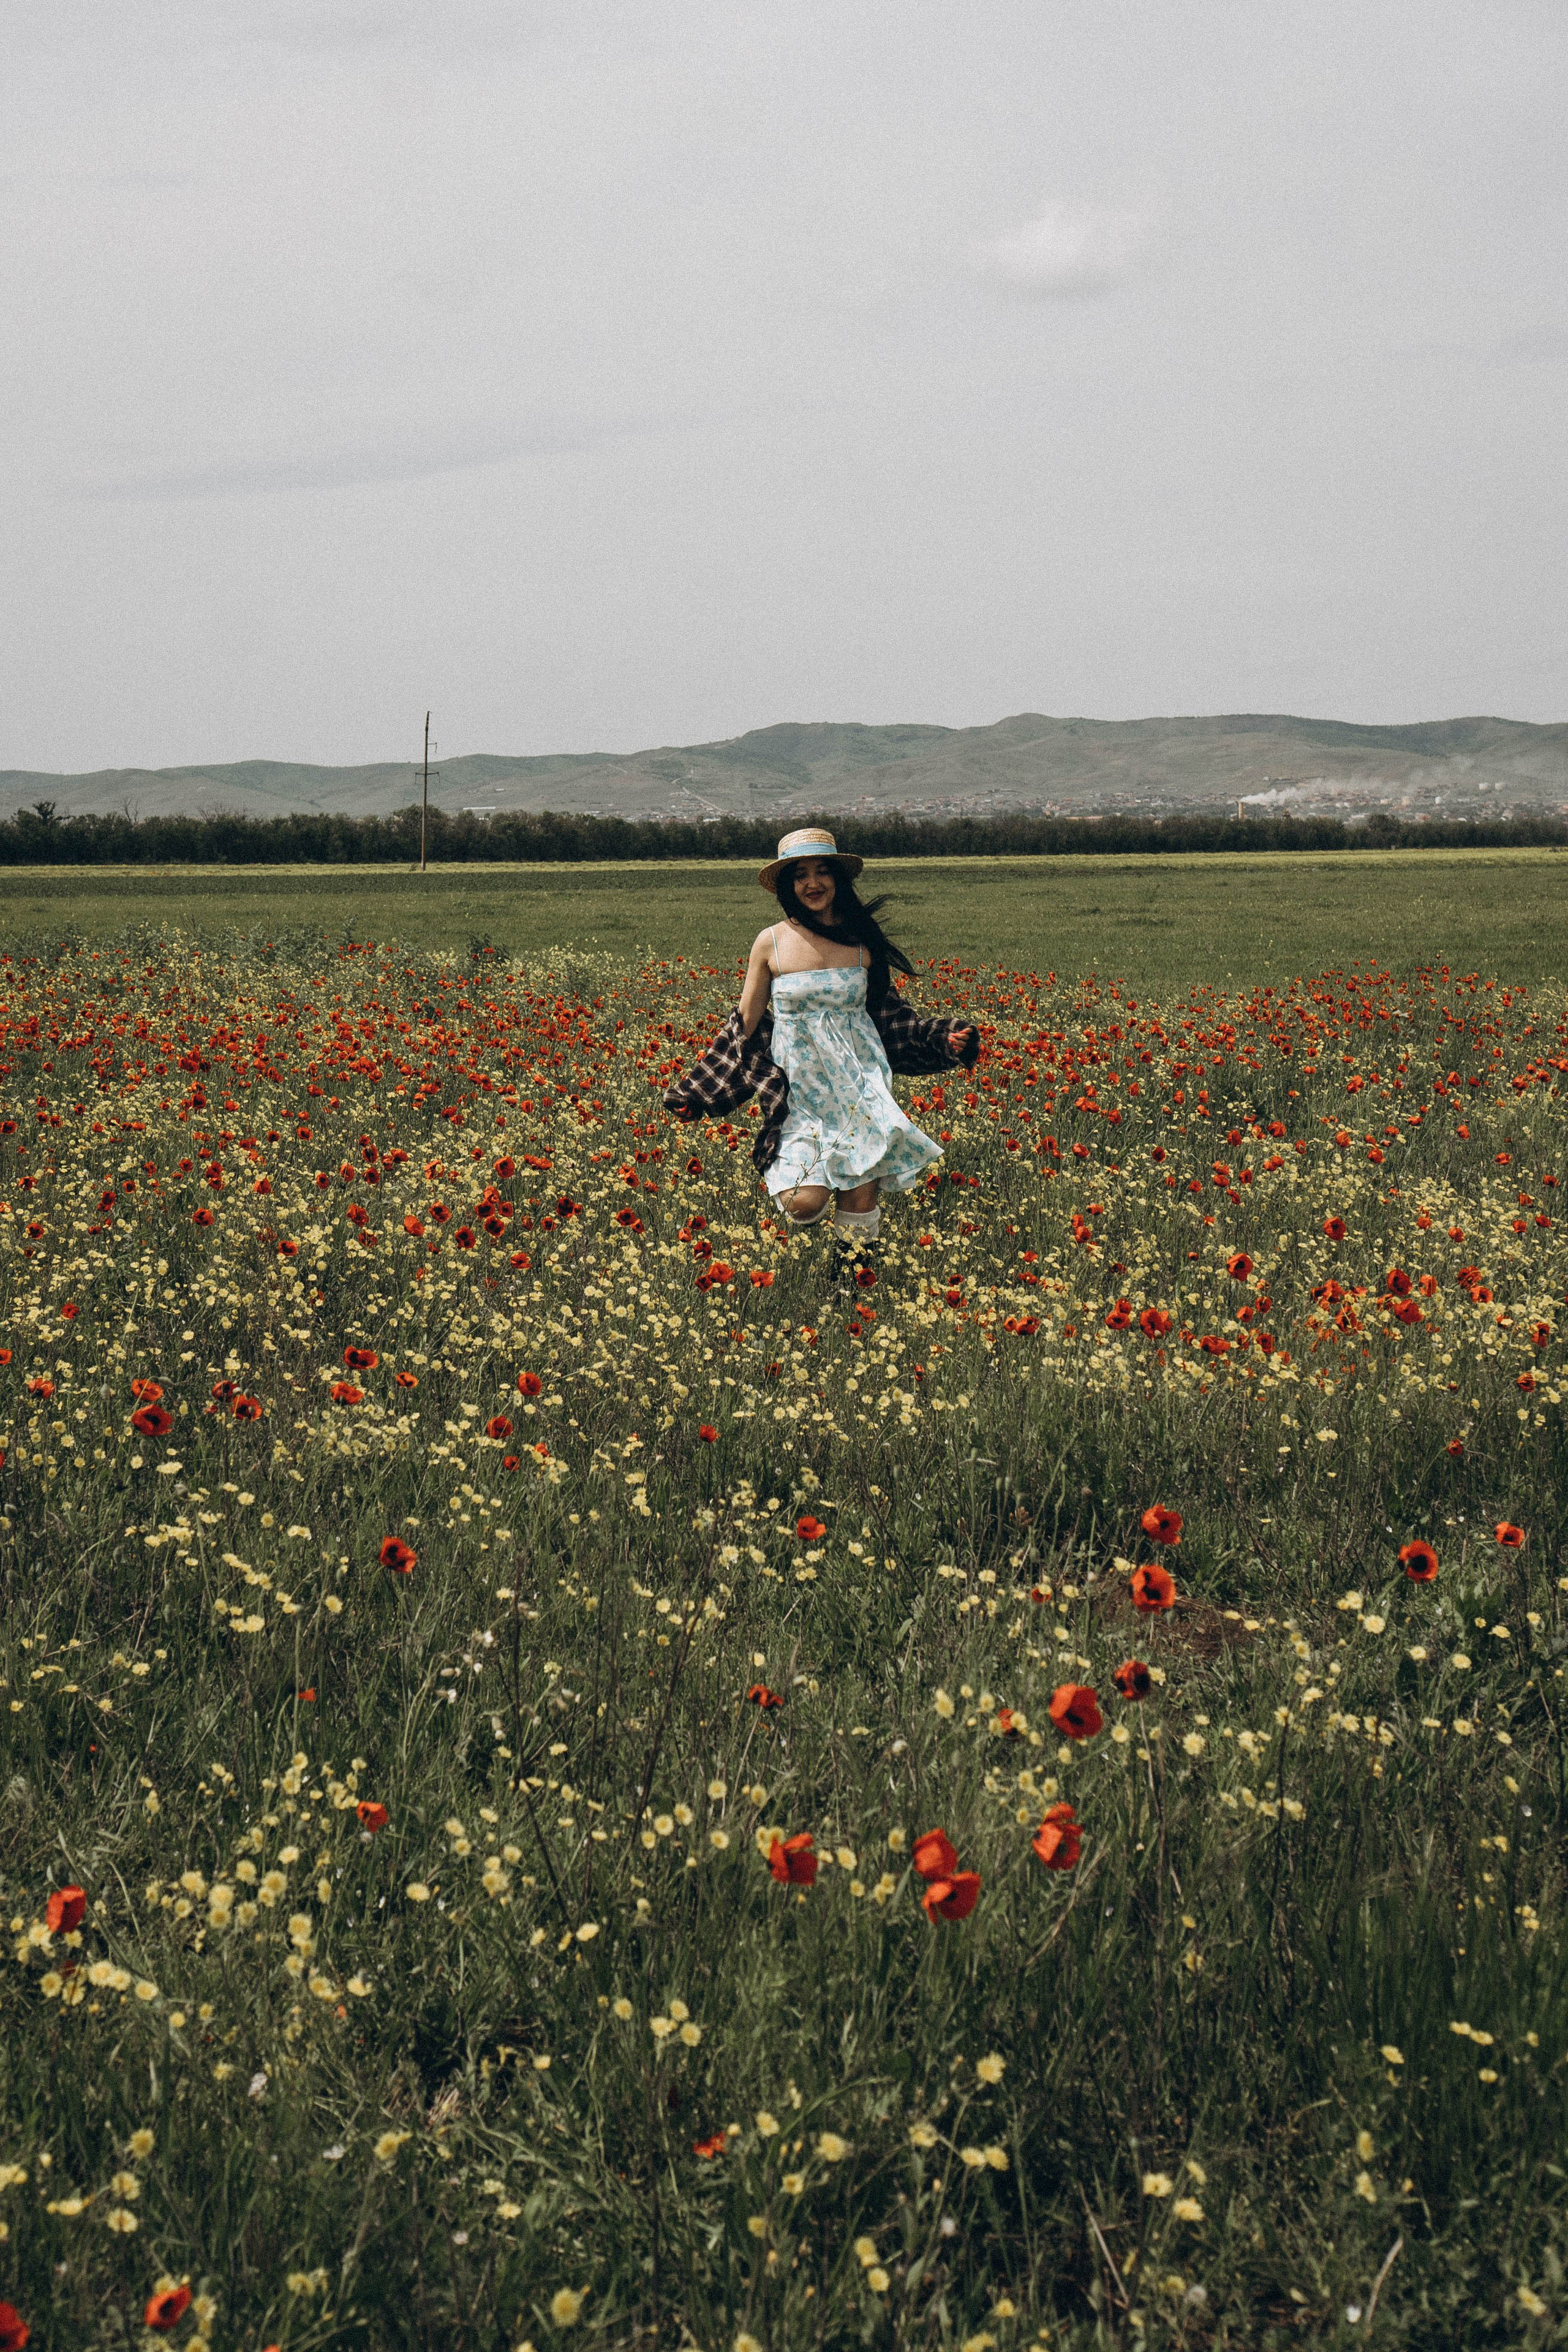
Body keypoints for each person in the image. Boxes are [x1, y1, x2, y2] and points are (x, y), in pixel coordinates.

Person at [664, 826, 978, 1275]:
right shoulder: (770, 942)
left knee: (860, 1188)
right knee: (803, 1203)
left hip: (859, 1085)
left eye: (822, 872)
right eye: (801, 875)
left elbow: (889, 1019)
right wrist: (698, 1090)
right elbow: (744, 1026)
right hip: (799, 1091)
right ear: (789, 887)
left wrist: (942, 1039)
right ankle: (832, 1241)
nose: (813, 884)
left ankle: (850, 1287)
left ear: (838, 880)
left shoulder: (861, 941)